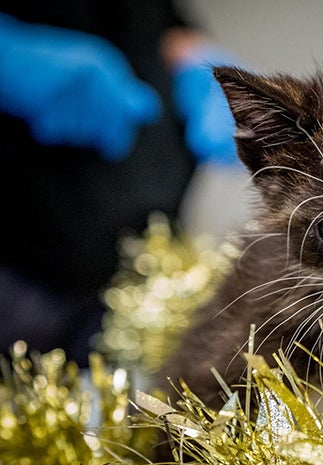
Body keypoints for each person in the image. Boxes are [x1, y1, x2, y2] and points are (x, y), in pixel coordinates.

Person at [0, 0, 239, 363]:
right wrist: (9, 58)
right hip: (21, 268)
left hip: (142, 270)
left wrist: (195, 57)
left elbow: (159, 21)